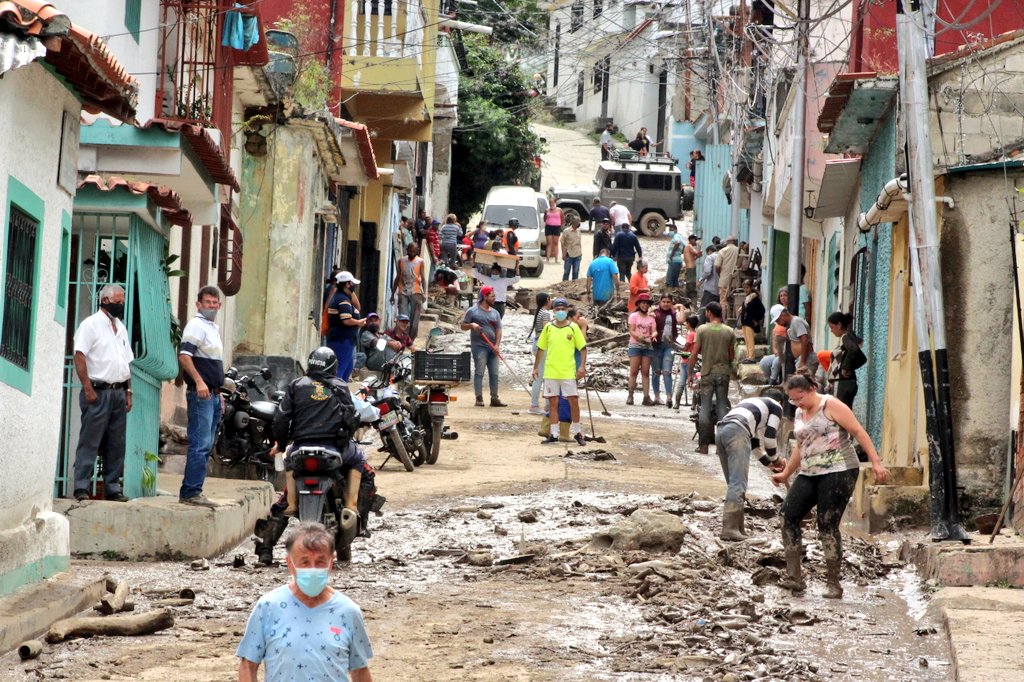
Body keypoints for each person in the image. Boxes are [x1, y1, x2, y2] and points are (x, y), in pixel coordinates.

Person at [771, 372, 890, 599]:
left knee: (826, 523)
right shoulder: (799, 412)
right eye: (793, 400)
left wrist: (875, 462)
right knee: (788, 515)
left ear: (812, 388)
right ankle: (794, 578)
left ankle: (833, 583)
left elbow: (858, 432)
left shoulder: (831, 405)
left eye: (800, 398)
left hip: (839, 470)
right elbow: (800, 446)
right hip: (809, 471)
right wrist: (786, 473)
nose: (797, 403)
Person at [258, 348, 370, 564]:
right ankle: (353, 508)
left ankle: (269, 543)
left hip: (300, 450)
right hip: (333, 451)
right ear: (333, 366)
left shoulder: (296, 385)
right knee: (360, 463)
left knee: (287, 488)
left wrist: (281, 445)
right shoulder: (339, 386)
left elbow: (281, 420)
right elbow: (350, 418)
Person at [237, 522, 373, 682]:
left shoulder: (348, 612)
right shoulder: (268, 607)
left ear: (331, 562)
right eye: (305, 562)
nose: (312, 569)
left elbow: (359, 670)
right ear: (290, 564)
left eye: (320, 562)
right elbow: (248, 666)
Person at [70, 284, 134, 502]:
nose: (121, 304)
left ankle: (112, 488)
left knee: (116, 442)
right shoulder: (91, 325)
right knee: (90, 440)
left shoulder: (120, 327)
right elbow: (79, 355)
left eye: (122, 300)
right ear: (105, 300)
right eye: (118, 300)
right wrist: (87, 387)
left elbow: (126, 361)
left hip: (118, 392)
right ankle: (81, 487)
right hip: (97, 391)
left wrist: (128, 390)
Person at [178, 286, 226, 507]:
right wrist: (199, 381)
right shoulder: (196, 326)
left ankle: (195, 489)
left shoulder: (212, 328)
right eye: (207, 303)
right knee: (200, 443)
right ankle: (190, 492)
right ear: (199, 304)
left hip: (213, 395)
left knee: (207, 444)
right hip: (202, 395)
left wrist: (219, 393)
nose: (212, 306)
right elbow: (185, 356)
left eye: (215, 303)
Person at [715, 397, 784, 540]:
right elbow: (770, 440)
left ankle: (738, 529)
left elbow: (754, 444)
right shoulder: (776, 406)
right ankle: (729, 529)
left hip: (721, 430)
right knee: (738, 483)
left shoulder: (750, 406)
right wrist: (776, 460)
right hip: (737, 431)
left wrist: (769, 464)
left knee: (733, 483)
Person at [534, 297, 588, 446]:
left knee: (573, 402)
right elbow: (541, 348)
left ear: (566, 311)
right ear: (553, 311)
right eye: (557, 309)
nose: (560, 312)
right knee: (552, 402)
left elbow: (583, 348)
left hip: (568, 372)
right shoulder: (548, 328)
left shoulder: (573, 328)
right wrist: (535, 368)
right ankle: (553, 433)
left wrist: (582, 367)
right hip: (551, 371)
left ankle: (577, 432)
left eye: (563, 309)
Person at [688, 301, 734, 454]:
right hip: (723, 374)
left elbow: (694, 353)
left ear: (709, 312)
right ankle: (721, 448)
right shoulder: (729, 331)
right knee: (722, 408)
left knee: (705, 410)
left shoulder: (702, 329)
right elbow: (731, 355)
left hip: (707, 373)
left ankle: (703, 446)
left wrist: (689, 373)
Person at [460, 286, 505, 407]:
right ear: (485, 296)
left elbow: (498, 330)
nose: (494, 298)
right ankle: (479, 398)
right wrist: (472, 325)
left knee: (494, 374)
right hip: (479, 347)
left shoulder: (495, 313)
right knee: (479, 372)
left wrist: (497, 345)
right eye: (492, 296)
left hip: (493, 348)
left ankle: (494, 398)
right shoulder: (472, 311)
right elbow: (462, 326)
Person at [327, 271, 365, 382]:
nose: (354, 286)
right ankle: (335, 393)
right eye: (352, 283)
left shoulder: (342, 297)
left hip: (345, 340)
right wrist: (359, 322)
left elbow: (358, 306)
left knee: (346, 369)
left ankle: (341, 393)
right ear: (347, 284)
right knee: (340, 369)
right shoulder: (342, 300)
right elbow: (346, 320)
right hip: (342, 340)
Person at [826, 311, 866, 407]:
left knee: (837, 412)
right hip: (848, 382)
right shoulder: (848, 337)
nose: (831, 331)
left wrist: (845, 368)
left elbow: (853, 349)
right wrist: (849, 368)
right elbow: (862, 358)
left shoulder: (845, 337)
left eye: (832, 327)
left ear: (839, 325)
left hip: (841, 383)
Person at [392, 244, 428, 341]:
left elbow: (423, 278)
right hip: (403, 291)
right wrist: (392, 294)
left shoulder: (420, 261)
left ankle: (411, 339)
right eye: (410, 251)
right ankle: (403, 337)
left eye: (414, 251)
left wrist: (425, 293)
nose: (412, 253)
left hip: (416, 291)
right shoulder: (401, 261)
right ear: (407, 250)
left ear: (417, 251)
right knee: (403, 316)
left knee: (415, 318)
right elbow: (398, 277)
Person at [626, 293, 657, 406]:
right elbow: (632, 330)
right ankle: (630, 395)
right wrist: (638, 336)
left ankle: (646, 397)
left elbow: (654, 330)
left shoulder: (651, 318)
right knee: (633, 371)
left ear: (649, 305)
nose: (644, 305)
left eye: (646, 303)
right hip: (635, 345)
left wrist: (654, 334)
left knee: (645, 372)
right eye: (643, 303)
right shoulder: (634, 316)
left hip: (648, 346)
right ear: (639, 304)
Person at [772, 305, 818, 376]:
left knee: (804, 383)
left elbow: (804, 340)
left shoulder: (796, 322)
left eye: (778, 320)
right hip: (801, 358)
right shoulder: (791, 325)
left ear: (783, 315)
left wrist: (802, 361)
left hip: (807, 358)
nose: (778, 324)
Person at [651, 294, 678, 408]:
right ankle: (657, 397)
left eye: (668, 302)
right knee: (656, 372)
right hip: (656, 346)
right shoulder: (654, 314)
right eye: (664, 301)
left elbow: (682, 319)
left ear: (671, 303)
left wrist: (680, 307)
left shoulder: (674, 314)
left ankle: (669, 397)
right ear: (660, 302)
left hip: (669, 346)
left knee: (667, 372)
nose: (666, 304)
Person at [528, 292, 553, 415]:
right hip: (543, 346)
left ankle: (546, 405)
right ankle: (534, 405)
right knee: (541, 376)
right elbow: (548, 331)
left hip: (537, 344)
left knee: (542, 375)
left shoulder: (539, 313)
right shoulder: (546, 314)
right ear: (547, 299)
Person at [738, 279, 765, 362]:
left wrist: (756, 319)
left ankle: (751, 357)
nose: (745, 290)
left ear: (751, 288)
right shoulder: (747, 298)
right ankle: (748, 356)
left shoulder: (754, 298)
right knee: (746, 340)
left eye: (747, 288)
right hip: (745, 322)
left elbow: (761, 310)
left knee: (750, 340)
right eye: (744, 288)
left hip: (750, 322)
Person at [715, 235, 739, 319]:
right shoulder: (740, 250)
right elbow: (743, 265)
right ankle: (735, 318)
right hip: (737, 281)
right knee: (736, 300)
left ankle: (724, 320)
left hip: (724, 280)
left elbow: (717, 266)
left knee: (723, 302)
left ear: (726, 242)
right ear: (734, 242)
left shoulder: (722, 251)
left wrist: (720, 274)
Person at [698, 245, 719, 322]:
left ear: (709, 251)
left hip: (710, 289)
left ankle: (700, 327)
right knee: (716, 311)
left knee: (704, 309)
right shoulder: (721, 256)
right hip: (720, 289)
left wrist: (700, 281)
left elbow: (707, 272)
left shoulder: (710, 257)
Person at [560, 215, 583, 280]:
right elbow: (562, 242)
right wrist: (563, 254)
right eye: (577, 222)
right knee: (566, 272)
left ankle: (574, 286)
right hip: (569, 255)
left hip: (578, 254)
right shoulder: (566, 231)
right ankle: (564, 285)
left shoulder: (578, 231)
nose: (579, 223)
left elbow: (579, 243)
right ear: (573, 222)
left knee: (576, 272)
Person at [665, 223, 684, 288]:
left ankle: (670, 294)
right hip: (678, 261)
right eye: (669, 230)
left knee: (669, 280)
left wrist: (671, 255)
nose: (670, 231)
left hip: (674, 261)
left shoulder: (676, 236)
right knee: (675, 280)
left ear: (675, 230)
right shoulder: (681, 237)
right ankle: (675, 294)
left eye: (671, 230)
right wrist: (679, 253)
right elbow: (684, 247)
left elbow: (677, 242)